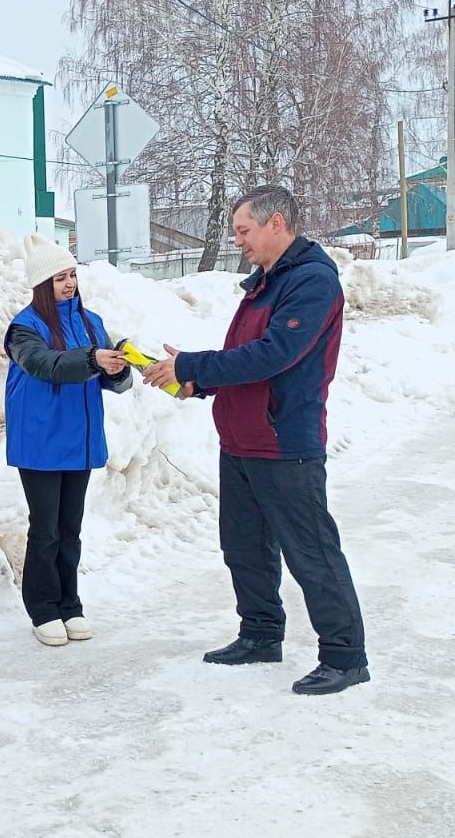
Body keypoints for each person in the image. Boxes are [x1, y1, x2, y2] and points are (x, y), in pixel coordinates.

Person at [144, 185, 369, 696]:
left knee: (310, 552)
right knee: (244, 547)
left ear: (276, 224)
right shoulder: (265, 284)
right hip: (242, 439)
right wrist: (198, 382)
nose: (237, 239)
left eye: (243, 230)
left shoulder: (311, 283)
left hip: (285, 441)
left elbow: (274, 355)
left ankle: (345, 655)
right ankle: (261, 634)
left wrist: (193, 364)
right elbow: (247, 360)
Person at [3, 235, 133, 646]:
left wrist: (116, 368)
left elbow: (114, 379)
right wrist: (93, 359)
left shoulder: (92, 322)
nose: (69, 284)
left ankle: (70, 604)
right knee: (46, 531)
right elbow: (46, 365)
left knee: (71, 529)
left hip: (80, 442)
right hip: (40, 444)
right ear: (41, 284)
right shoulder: (23, 329)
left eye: (72, 275)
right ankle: (43, 609)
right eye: (59, 278)